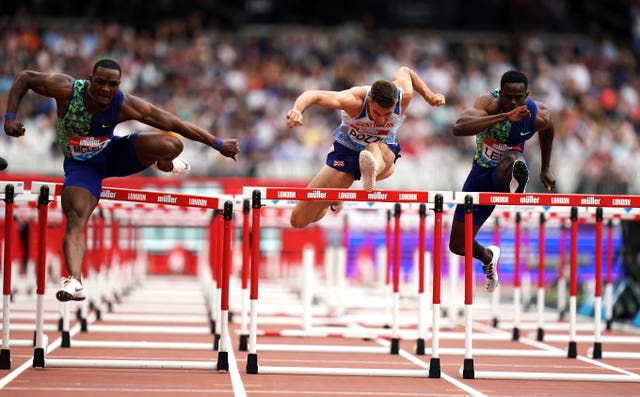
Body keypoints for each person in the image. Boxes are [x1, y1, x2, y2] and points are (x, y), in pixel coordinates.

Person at [3, 58, 240, 302]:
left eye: (112, 84)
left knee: (173, 143)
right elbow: (25, 78)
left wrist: (218, 144)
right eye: (101, 82)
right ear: (90, 79)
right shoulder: (66, 89)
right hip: (82, 166)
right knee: (75, 217)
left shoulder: (123, 103)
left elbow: (173, 122)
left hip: (113, 155)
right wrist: (10, 116)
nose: (106, 89)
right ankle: (75, 280)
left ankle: (164, 163)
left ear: (119, 85)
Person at [285, 66, 445, 229]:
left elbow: (405, 71)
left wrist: (429, 96)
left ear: (395, 103)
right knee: (298, 220)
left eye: (387, 114)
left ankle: (371, 171)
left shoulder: (403, 95)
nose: (381, 120)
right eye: (376, 113)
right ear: (369, 101)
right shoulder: (353, 100)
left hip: (382, 153)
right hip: (347, 153)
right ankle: (333, 201)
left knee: (374, 146)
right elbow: (315, 95)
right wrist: (298, 109)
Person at [448, 70, 556, 293]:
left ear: (527, 94)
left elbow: (548, 129)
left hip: (503, 173)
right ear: (500, 93)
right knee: (458, 245)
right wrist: (505, 116)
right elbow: (458, 128)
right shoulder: (488, 104)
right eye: (507, 96)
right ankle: (488, 256)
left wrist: (545, 167)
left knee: (512, 158)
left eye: (519, 97)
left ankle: (516, 184)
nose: (513, 102)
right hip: (479, 175)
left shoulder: (537, 114)